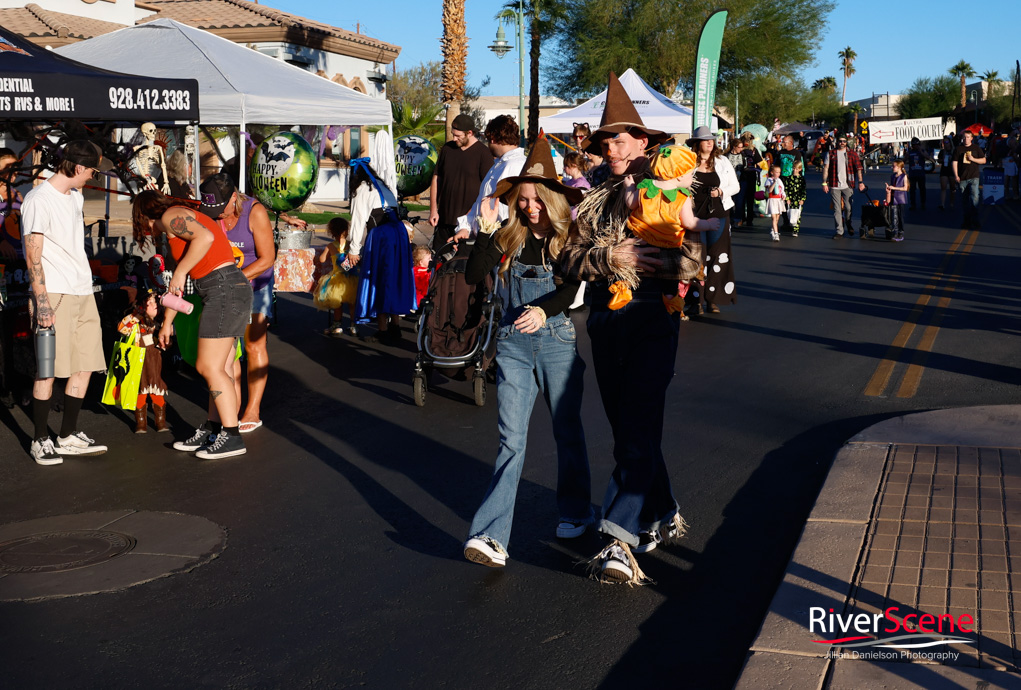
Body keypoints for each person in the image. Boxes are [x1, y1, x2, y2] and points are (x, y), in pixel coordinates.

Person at [561, 72, 696, 585]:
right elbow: (568, 259)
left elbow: (695, 260)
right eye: (604, 141)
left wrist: (650, 264)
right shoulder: (591, 196)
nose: (611, 149)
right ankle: (660, 507)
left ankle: (618, 538)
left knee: (638, 420)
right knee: (626, 425)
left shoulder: (668, 186)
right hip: (604, 318)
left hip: (653, 316)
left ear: (643, 141)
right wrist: (605, 256)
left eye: (619, 139)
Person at [462, 136, 593, 569]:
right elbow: (473, 275)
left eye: (537, 199)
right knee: (510, 441)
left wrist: (542, 309)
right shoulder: (509, 235)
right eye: (523, 199)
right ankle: (490, 535)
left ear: (553, 198)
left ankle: (575, 512)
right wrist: (483, 227)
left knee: (566, 431)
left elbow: (572, 289)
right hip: (514, 346)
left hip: (556, 340)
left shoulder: (568, 236)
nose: (529, 207)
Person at [132, 189, 253, 460]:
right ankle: (214, 428)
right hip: (221, 289)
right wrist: (167, 323)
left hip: (223, 289)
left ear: (144, 214)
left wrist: (181, 269)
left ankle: (231, 436)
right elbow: (182, 287)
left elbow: (206, 237)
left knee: (208, 366)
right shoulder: (179, 218)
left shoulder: (170, 215)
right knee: (218, 367)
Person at [22, 140, 111, 465]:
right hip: (55, 294)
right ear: (76, 168)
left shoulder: (74, 197)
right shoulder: (37, 200)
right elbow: (34, 256)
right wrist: (41, 301)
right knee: (48, 370)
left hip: (82, 289)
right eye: (90, 171)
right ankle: (39, 439)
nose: (91, 177)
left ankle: (68, 435)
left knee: (85, 364)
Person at [200, 173, 275, 434]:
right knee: (228, 349)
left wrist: (234, 278)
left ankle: (252, 409)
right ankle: (232, 407)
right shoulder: (213, 211)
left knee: (254, 345)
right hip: (225, 289)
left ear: (234, 197)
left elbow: (267, 259)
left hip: (256, 286)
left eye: (221, 209)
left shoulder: (255, 212)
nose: (218, 215)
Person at [348, 159, 416, 343]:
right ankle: (395, 325)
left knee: (380, 278)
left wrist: (354, 249)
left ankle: (383, 330)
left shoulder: (362, 189)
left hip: (382, 237)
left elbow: (357, 221)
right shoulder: (383, 186)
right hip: (399, 235)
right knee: (394, 278)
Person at [685, 127, 739, 313]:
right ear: (697, 143)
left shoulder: (722, 161)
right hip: (694, 214)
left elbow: (735, 186)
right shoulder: (688, 162)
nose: (710, 142)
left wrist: (722, 191)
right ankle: (696, 299)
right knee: (696, 257)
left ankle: (713, 298)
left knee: (718, 256)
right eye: (705, 139)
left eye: (711, 139)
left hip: (718, 213)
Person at [452, 115, 525, 242]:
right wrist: (465, 227)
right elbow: (482, 202)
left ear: (493, 138)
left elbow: (504, 212)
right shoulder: (500, 164)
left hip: (498, 241)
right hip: (484, 238)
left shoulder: (514, 166)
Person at [428, 114, 494, 251]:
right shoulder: (447, 149)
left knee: (460, 268)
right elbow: (436, 178)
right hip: (443, 221)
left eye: (458, 136)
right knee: (438, 265)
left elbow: (488, 192)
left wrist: (469, 221)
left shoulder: (484, 153)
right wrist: (433, 210)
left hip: (467, 226)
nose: (454, 138)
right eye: (453, 134)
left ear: (470, 133)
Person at [116, 290, 169, 432]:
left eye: (155, 302)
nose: (154, 305)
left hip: (154, 364)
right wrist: (137, 314)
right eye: (149, 303)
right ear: (141, 306)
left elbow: (169, 342)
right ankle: (140, 423)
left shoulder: (162, 322)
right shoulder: (137, 322)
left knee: (157, 391)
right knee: (140, 391)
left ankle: (160, 422)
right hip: (139, 363)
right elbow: (121, 328)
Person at [314, 217, 358, 336]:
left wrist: (317, 258)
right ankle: (354, 326)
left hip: (337, 279)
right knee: (352, 304)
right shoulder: (351, 245)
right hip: (351, 278)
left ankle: (337, 326)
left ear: (332, 232)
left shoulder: (331, 246)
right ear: (346, 231)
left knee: (337, 304)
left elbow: (322, 259)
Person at [822, 135, 866, 239]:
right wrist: (824, 182)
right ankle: (839, 231)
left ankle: (848, 223)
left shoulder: (852, 154)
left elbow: (859, 168)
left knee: (848, 207)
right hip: (834, 184)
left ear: (846, 143)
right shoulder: (831, 153)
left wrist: (860, 182)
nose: (842, 143)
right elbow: (826, 168)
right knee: (837, 209)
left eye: (844, 141)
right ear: (837, 142)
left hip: (848, 185)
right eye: (840, 141)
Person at [953, 130, 987, 230]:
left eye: (968, 137)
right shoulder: (958, 149)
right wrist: (956, 175)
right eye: (964, 137)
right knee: (964, 201)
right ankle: (966, 221)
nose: (966, 139)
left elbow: (983, 160)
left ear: (972, 138)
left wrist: (973, 159)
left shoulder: (976, 148)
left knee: (974, 199)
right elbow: (954, 162)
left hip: (974, 177)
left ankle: (975, 221)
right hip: (962, 178)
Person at [775, 135, 804, 232]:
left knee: (792, 201)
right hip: (782, 179)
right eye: (783, 142)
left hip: (792, 180)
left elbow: (800, 166)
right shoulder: (780, 153)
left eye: (785, 142)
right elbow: (776, 165)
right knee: (782, 201)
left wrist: (800, 180)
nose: (783, 144)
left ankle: (793, 222)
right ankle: (786, 221)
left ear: (791, 143)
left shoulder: (797, 153)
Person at [739, 134, 764, 227]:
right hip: (751, 176)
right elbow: (759, 164)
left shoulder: (740, 150)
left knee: (740, 199)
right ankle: (749, 219)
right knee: (750, 200)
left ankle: (741, 218)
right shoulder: (754, 150)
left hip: (741, 176)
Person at [905, 138, 934, 211]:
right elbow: (904, 160)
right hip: (912, 174)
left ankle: (923, 203)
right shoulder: (910, 152)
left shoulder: (922, 151)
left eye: (917, 145)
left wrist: (921, 151)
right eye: (914, 145)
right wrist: (906, 156)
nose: (915, 146)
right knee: (912, 190)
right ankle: (913, 204)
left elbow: (928, 157)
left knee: (922, 189)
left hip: (921, 173)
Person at [885, 159, 909, 242]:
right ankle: (895, 232)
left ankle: (900, 232)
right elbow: (892, 187)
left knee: (900, 215)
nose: (892, 167)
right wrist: (889, 190)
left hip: (901, 198)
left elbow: (905, 188)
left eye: (894, 166)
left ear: (899, 167)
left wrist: (894, 188)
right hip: (893, 198)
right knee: (893, 216)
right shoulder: (892, 176)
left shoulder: (904, 176)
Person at [724, 139, 745, 226]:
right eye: (739, 147)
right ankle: (731, 219)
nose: (741, 149)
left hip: (741, 180)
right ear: (734, 147)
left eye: (741, 147)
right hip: (729, 182)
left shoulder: (743, 155)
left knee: (739, 201)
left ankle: (738, 219)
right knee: (730, 200)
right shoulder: (726, 156)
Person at [764, 165, 786, 243]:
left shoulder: (780, 180)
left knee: (777, 218)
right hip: (772, 200)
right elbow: (769, 190)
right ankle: (776, 234)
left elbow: (782, 190)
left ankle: (773, 229)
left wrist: (784, 196)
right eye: (776, 172)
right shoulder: (769, 180)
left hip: (779, 200)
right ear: (772, 172)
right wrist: (774, 183)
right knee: (774, 217)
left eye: (779, 172)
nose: (778, 174)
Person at [786, 159, 807, 236]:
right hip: (791, 198)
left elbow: (803, 190)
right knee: (790, 212)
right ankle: (791, 225)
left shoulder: (801, 179)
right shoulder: (789, 178)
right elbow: (786, 189)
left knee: (798, 214)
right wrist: (787, 198)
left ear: (800, 169)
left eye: (797, 169)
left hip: (798, 199)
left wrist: (802, 199)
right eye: (794, 168)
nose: (795, 170)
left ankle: (795, 230)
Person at [937, 136, 957, 211]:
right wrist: (942, 159)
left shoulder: (954, 151)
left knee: (952, 188)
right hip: (944, 170)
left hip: (952, 170)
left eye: (946, 142)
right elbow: (938, 160)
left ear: (950, 143)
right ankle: (942, 204)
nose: (945, 144)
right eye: (944, 142)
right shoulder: (942, 151)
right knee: (943, 187)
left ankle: (951, 202)